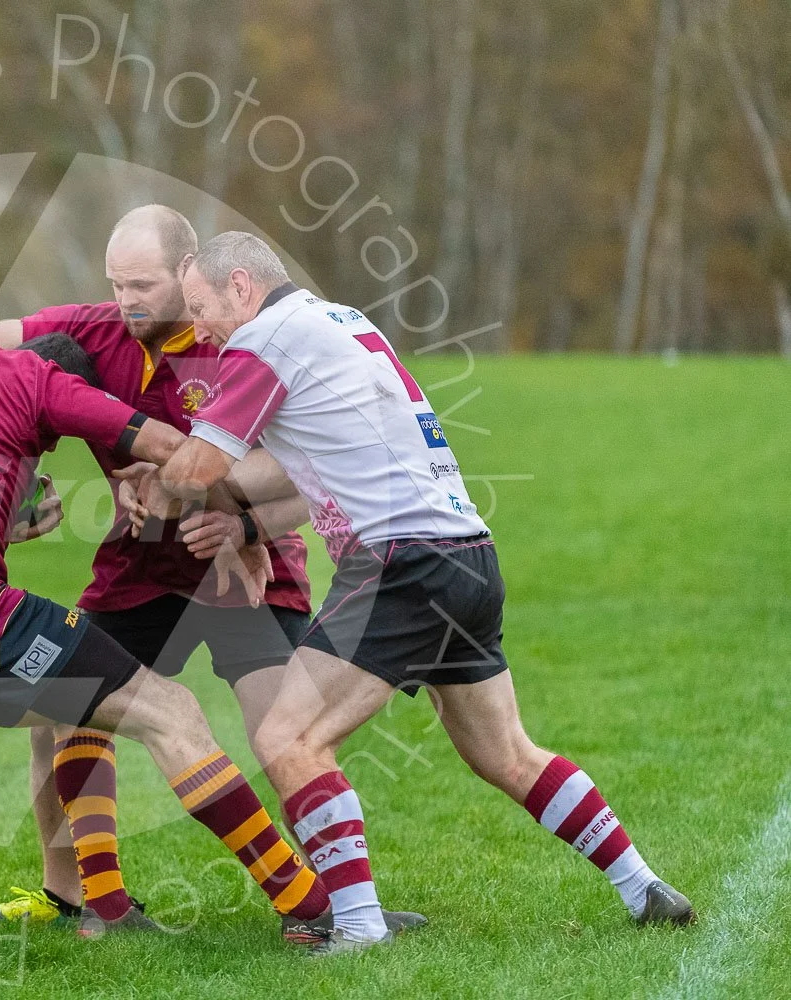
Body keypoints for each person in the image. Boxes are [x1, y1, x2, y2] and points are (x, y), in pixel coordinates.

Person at [146, 231, 694, 954]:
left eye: (202, 306)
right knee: (504, 752)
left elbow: (192, 470)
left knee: (289, 738)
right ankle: (642, 885)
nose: (199, 328)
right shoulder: (343, 321)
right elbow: (298, 464)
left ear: (242, 286)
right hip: (467, 556)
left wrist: (137, 449)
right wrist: (244, 525)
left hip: (397, 565)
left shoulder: (265, 341)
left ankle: (361, 927)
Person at [0, 331, 351, 941]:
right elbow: (173, 447)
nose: (49, 448)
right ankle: (312, 907)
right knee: (172, 711)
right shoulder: (38, 380)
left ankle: (103, 912)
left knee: (77, 710)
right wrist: (239, 532)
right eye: (54, 438)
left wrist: (9, 528)